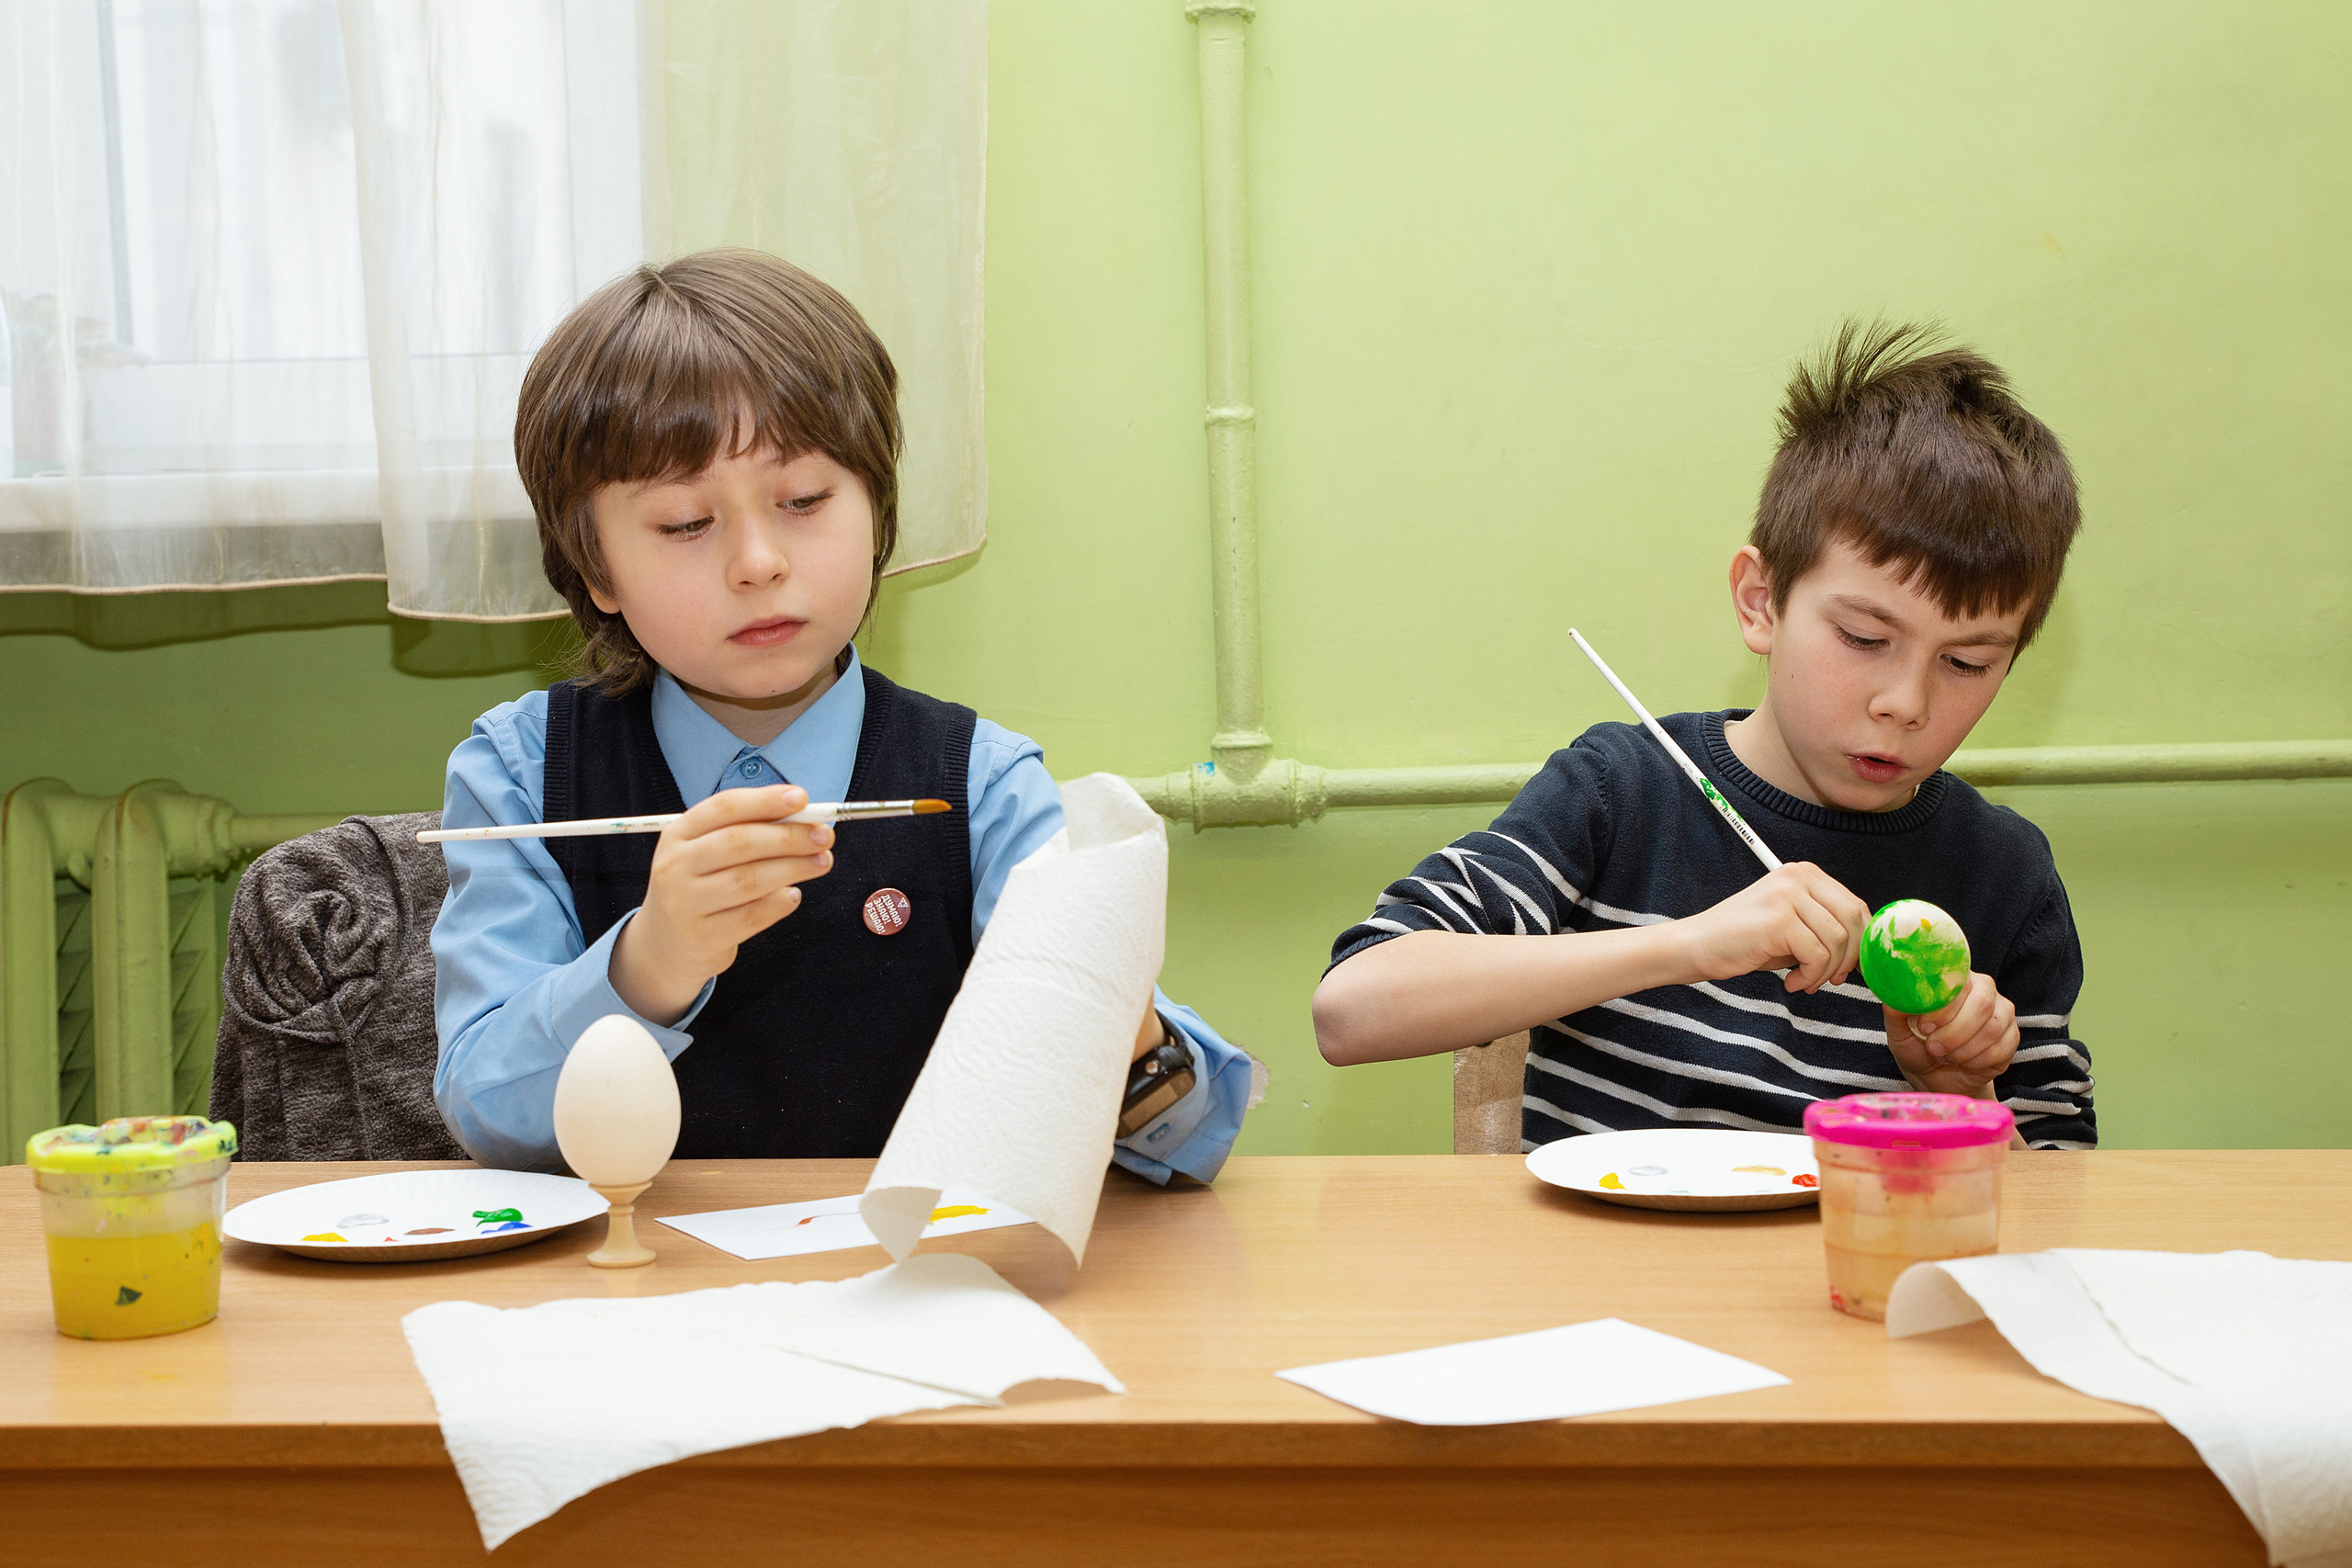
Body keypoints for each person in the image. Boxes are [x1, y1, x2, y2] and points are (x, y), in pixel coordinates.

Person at [431, 249, 1250, 1178]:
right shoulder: (519, 774)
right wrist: (647, 966)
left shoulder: (977, 783)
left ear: (876, 509)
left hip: (915, 1290)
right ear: (595, 572)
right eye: (686, 524)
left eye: (805, 500)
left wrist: (1114, 1017)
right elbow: (488, 1119)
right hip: (625, 1293)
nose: (757, 561)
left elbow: (1191, 1146)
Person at [1312, 321, 2094, 1151]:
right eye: (1866, 638)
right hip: (1606, 1277)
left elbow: (2058, 1197)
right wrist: (1690, 945)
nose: (1906, 702)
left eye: (1967, 662)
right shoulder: (1622, 790)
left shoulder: (2004, 873)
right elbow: (1352, 1008)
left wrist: (1960, 1089)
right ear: (1762, 602)